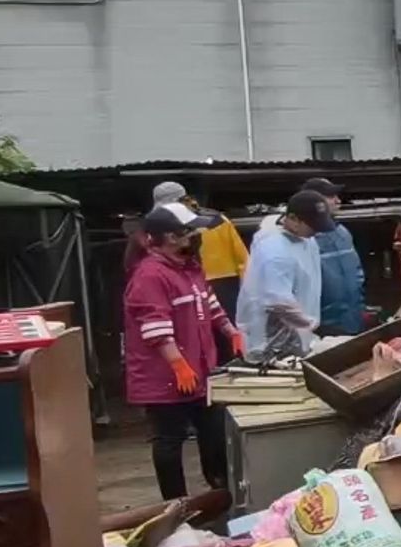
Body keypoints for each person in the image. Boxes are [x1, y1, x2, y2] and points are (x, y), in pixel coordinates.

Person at [122, 202, 244, 500]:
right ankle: (175, 505)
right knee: (168, 440)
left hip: (200, 370)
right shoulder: (150, 275)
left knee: (213, 432)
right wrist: (177, 364)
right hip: (164, 376)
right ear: (170, 237)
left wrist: (231, 332)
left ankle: (219, 493)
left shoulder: (189, 269)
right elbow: (155, 328)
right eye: (189, 231)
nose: (195, 235)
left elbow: (210, 304)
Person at [125, 182, 249, 319]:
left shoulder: (145, 228)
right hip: (206, 285)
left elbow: (130, 264)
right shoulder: (217, 220)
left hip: (207, 286)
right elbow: (244, 260)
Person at [236, 190, 333, 362]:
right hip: (271, 337)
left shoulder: (304, 238)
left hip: (299, 331)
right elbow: (278, 301)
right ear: (293, 219)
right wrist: (308, 323)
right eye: (313, 226)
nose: (316, 231)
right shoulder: (274, 250)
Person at [302, 177, 366, 336]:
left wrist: (360, 303)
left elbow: (357, 271)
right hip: (322, 325)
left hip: (353, 320)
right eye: (331, 196)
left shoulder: (342, 233)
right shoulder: (304, 238)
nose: (338, 200)